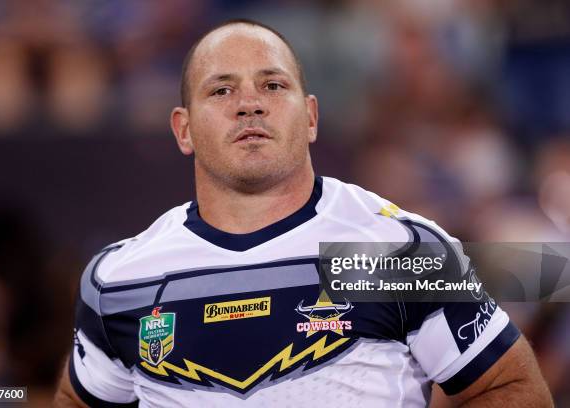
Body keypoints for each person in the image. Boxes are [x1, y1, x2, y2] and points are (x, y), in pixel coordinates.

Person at [54, 19, 552, 407]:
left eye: (272, 85)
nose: (249, 104)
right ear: (183, 130)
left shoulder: (399, 251)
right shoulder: (118, 281)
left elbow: (509, 386)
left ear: (310, 116)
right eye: (221, 90)